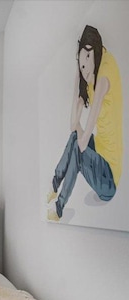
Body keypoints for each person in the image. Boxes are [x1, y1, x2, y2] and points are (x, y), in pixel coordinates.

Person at [47, 25, 123, 221]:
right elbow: (74, 128)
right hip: (101, 153)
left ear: (94, 54)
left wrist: (82, 73)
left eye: (87, 61)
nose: (84, 70)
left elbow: (83, 142)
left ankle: (59, 208)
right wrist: (78, 86)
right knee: (74, 138)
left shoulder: (103, 77)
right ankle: (54, 186)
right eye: (81, 65)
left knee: (79, 150)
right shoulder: (92, 72)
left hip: (109, 181)